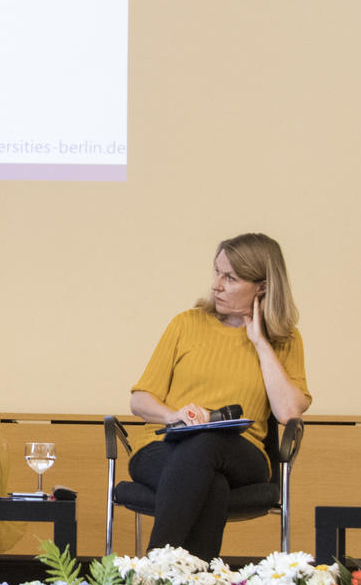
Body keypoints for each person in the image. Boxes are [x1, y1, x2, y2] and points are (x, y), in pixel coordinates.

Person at [127, 234, 310, 558]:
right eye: (217, 273)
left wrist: (260, 342)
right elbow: (140, 399)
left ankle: (151, 573)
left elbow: (288, 412)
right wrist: (173, 416)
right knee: (211, 485)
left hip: (243, 455)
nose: (216, 285)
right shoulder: (186, 324)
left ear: (263, 287)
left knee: (206, 443)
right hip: (163, 448)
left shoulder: (284, 339)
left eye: (231, 278)